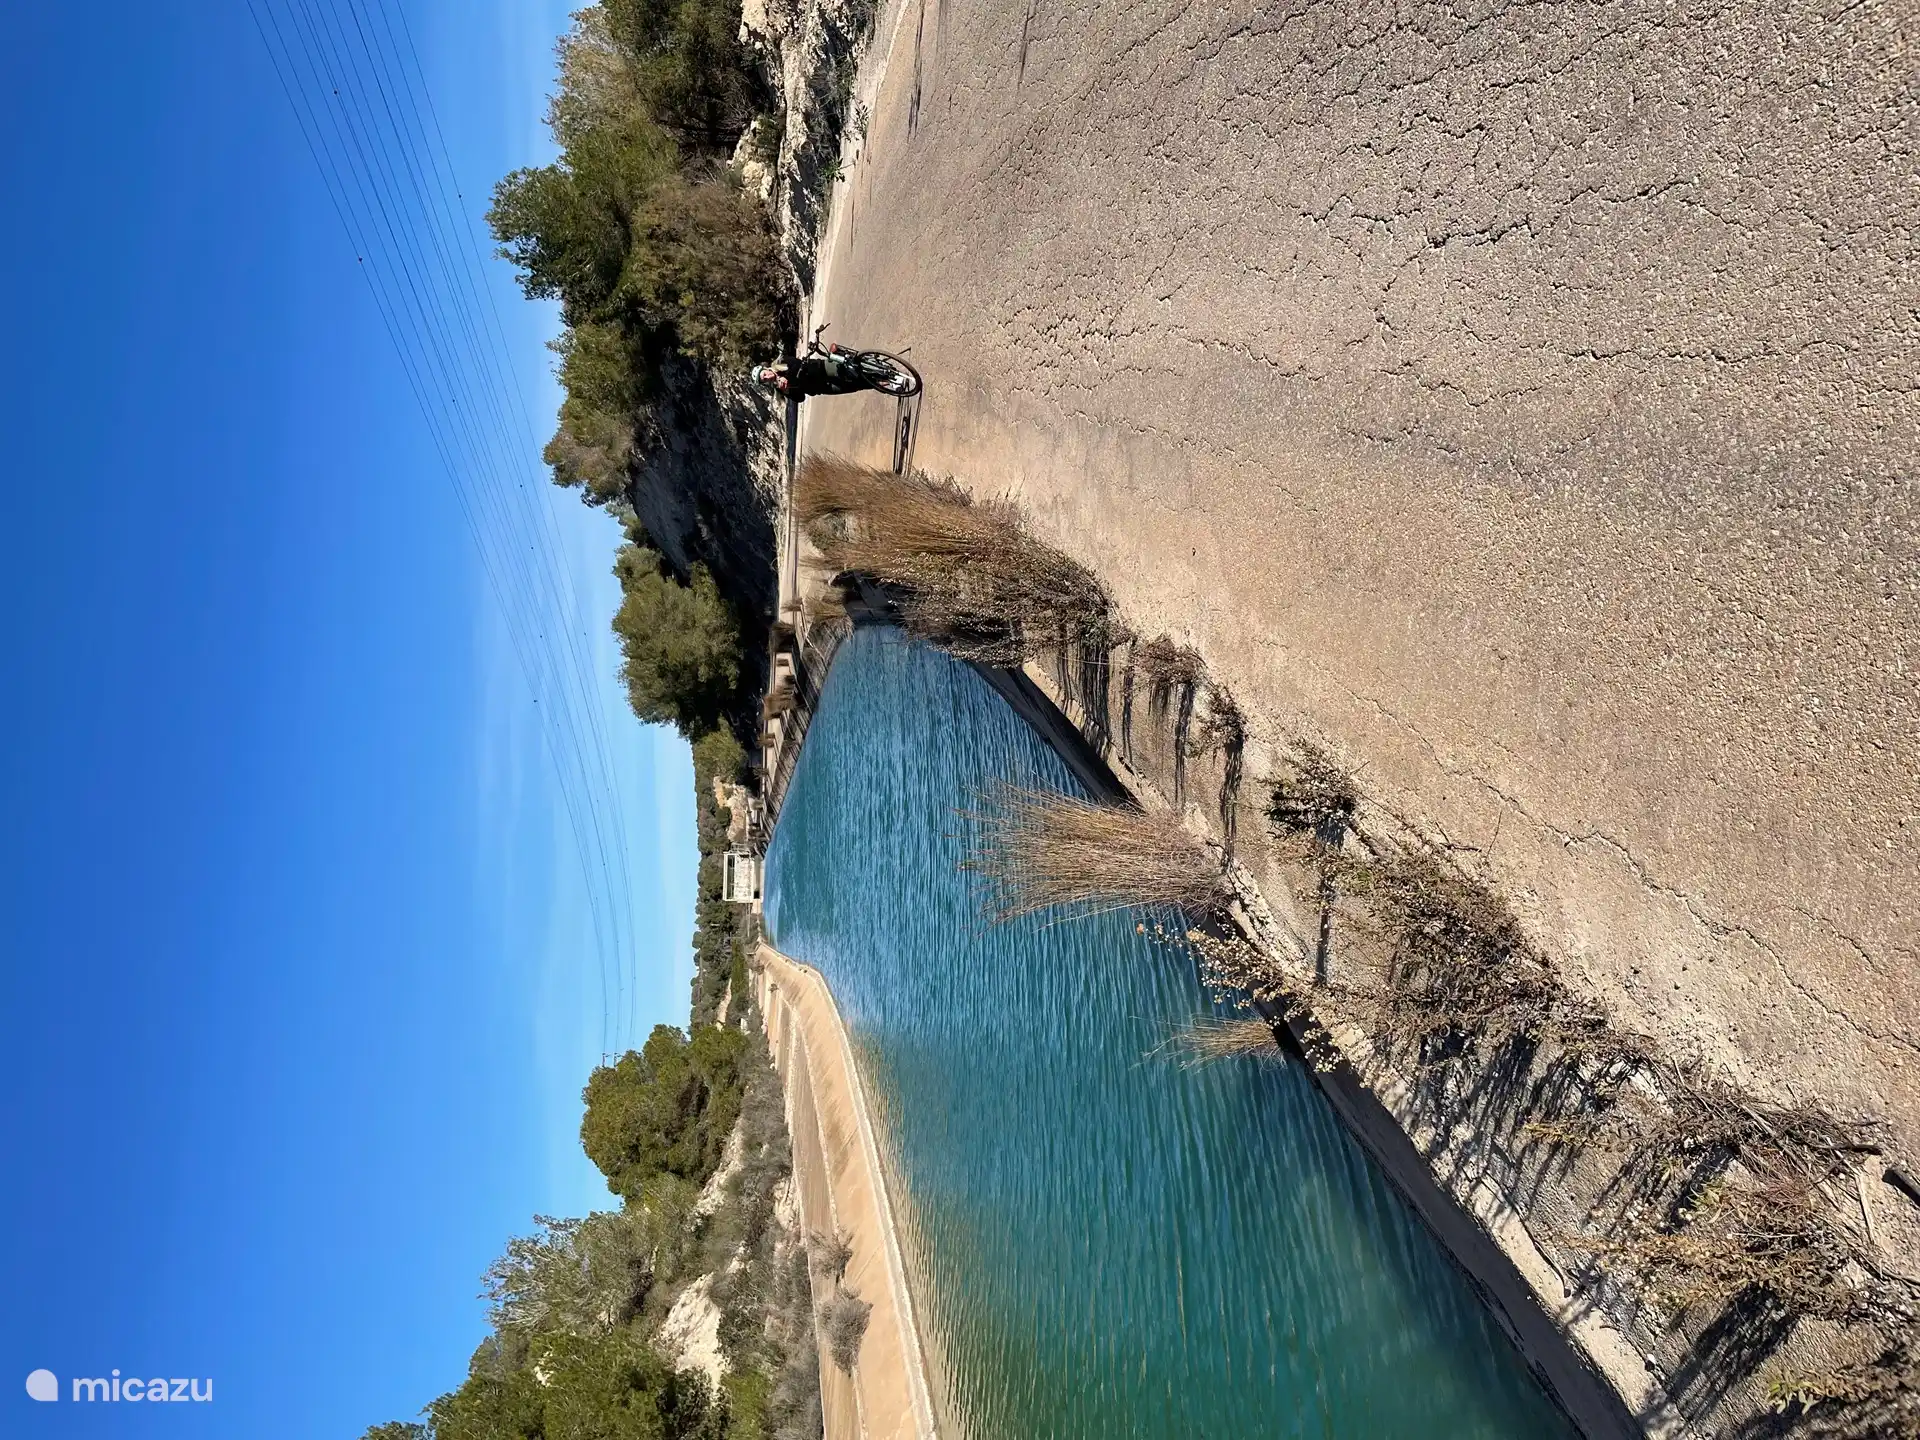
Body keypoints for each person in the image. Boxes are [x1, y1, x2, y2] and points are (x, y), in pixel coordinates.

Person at [751, 342, 870, 401]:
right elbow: (800, 398)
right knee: (854, 386)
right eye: (764, 380)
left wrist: (787, 378)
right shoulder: (779, 388)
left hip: (821, 369)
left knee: (850, 371)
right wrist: (787, 391)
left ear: (766, 368)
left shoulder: (780, 362)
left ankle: (872, 365)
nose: (767, 377)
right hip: (822, 387)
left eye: (764, 374)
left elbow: (797, 364)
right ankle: (881, 384)